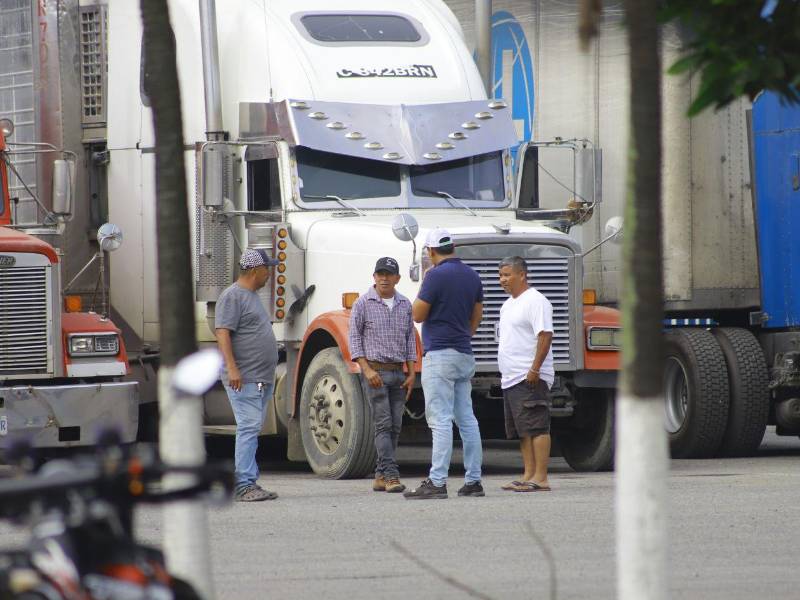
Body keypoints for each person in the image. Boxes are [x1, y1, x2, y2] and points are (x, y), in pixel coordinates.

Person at [404, 228, 485, 500]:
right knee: (467, 419)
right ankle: (473, 481)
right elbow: (477, 315)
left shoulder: (435, 275)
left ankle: (437, 482)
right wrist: (464, 334)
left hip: (439, 353)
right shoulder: (472, 275)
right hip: (464, 352)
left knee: (439, 421)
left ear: (430, 251)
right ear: (453, 246)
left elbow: (417, 314)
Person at [215, 248, 280, 502]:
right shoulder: (233, 296)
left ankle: (248, 481)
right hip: (246, 377)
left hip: (260, 377)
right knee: (249, 427)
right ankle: (244, 484)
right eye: (267, 269)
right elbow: (223, 332)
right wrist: (233, 368)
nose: (269, 273)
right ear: (255, 271)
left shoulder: (250, 295)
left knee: (252, 428)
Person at [349, 257, 417, 494]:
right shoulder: (362, 303)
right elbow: (354, 339)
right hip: (375, 373)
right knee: (383, 425)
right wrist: (366, 370)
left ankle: (379, 475)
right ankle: (390, 475)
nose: (384, 278)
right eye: (380, 274)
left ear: (397, 278)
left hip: (399, 373)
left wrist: (411, 372)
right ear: (374, 277)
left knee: (396, 427)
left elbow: (410, 339)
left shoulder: (405, 304)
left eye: (389, 274)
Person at [496, 256, 554, 492]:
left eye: (507, 275)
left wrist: (534, 369)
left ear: (522, 275)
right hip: (510, 377)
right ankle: (528, 473)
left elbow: (545, 335)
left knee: (537, 426)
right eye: (501, 276)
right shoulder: (508, 304)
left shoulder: (536, 301)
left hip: (529, 375)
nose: (503, 280)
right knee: (523, 430)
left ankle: (541, 477)